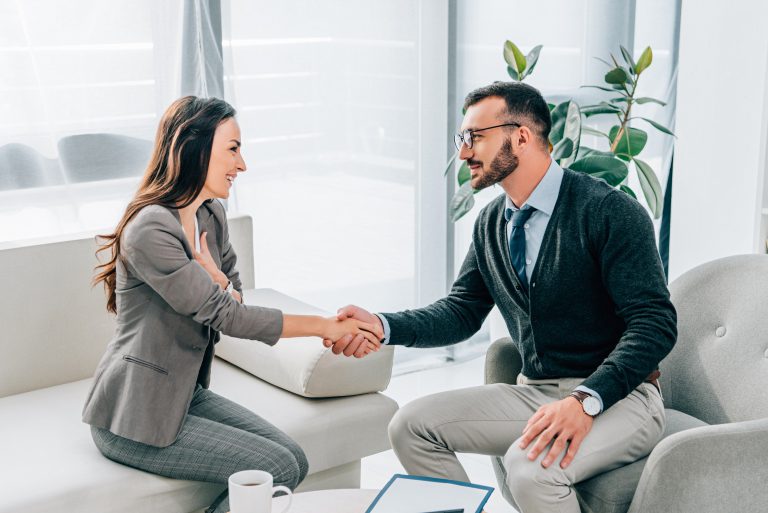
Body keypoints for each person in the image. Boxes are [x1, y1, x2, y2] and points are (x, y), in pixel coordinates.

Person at [325, 81, 677, 512]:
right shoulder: (492, 221)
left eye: (475, 137)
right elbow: (461, 311)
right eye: (462, 139)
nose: (464, 152)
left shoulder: (608, 212)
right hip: (536, 392)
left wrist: (585, 400)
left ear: (522, 137)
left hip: (621, 398)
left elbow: (655, 323)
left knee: (530, 469)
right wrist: (382, 325)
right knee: (409, 426)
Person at [82, 96, 382, 513]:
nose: (242, 165)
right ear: (194, 148)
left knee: (293, 459)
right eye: (234, 149)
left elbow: (234, 294)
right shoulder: (151, 228)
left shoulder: (211, 216)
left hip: (186, 396)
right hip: (134, 415)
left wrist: (217, 278)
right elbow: (229, 314)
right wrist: (325, 326)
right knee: (276, 465)